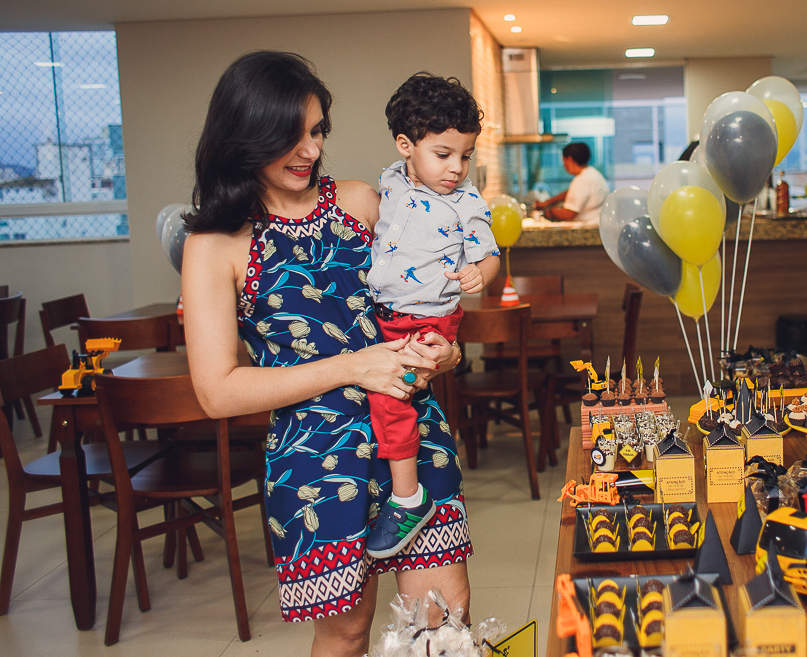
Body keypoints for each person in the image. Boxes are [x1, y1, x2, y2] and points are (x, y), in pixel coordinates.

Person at [181, 51, 469, 657]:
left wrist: (445, 351)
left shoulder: (363, 203)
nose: (310, 150)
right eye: (293, 133)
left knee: (442, 622)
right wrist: (353, 366)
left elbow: (424, 301)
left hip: (412, 440)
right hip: (314, 462)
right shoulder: (213, 245)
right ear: (246, 132)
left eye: (317, 132)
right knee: (346, 632)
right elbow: (217, 390)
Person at [365, 73, 500, 559]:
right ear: (406, 145)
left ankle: (407, 497)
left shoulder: (466, 201)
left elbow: (491, 254)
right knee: (383, 392)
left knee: (391, 398)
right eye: (444, 154)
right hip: (388, 313)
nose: (457, 168)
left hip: (427, 321)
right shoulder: (389, 181)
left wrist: (480, 273)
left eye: (465, 156)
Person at [534, 141, 609, 223]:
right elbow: (571, 193)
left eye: (564, 161)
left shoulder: (582, 180)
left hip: (587, 226)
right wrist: (548, 202)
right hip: (597, 224)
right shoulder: (592, 173)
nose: (563, 165)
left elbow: (568, 214)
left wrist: (549, 212)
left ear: (570, 160)